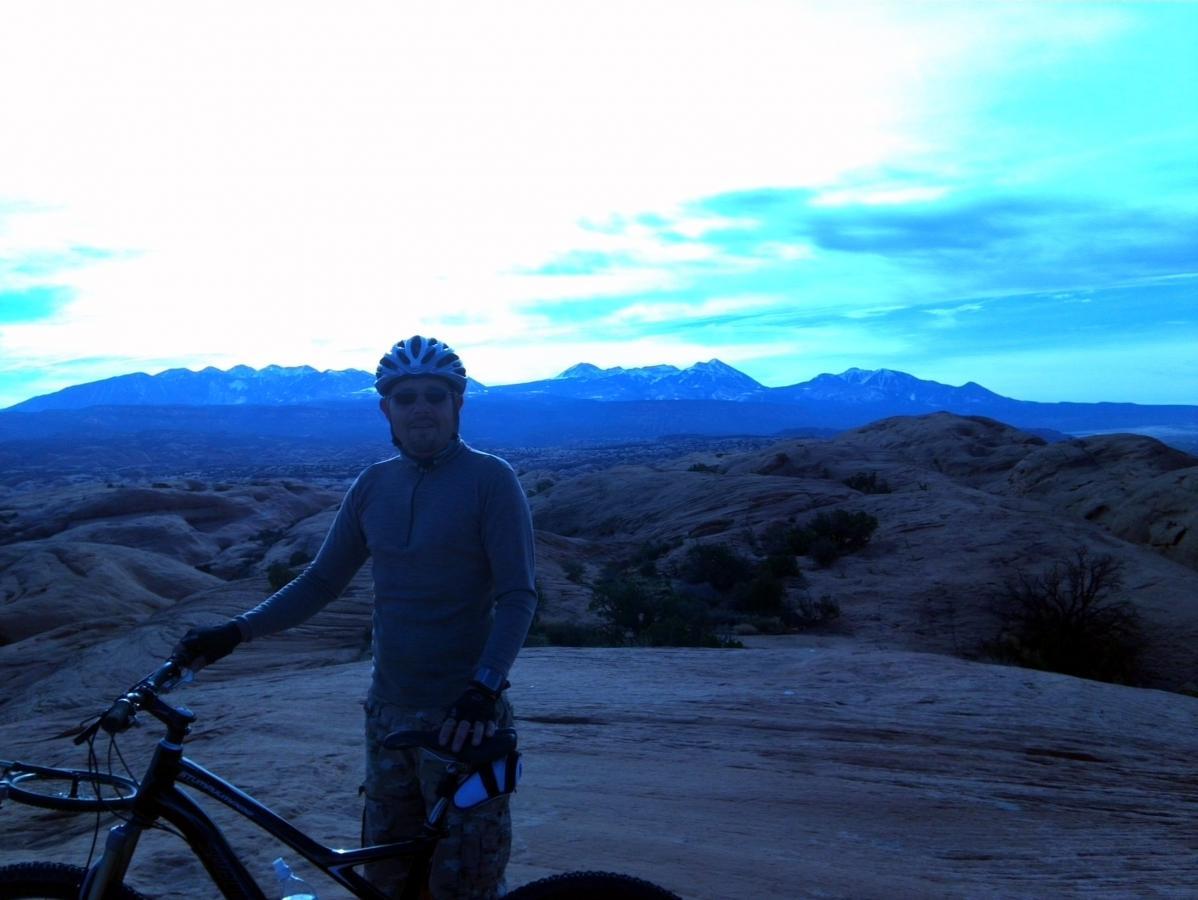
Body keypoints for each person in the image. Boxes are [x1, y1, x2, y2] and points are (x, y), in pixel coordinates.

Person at [173, 335, 538, 900]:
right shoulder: (373, 485)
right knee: (385, 877)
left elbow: (518, 596)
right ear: (385, 409)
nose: (421, 408)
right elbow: (321, 582)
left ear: (457, 404)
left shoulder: (491, 480)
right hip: (387, 713)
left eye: (435, 396)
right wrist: (235, 632)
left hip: (466, 719)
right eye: (406, 397)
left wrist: (483, 689)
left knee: (466, 880)